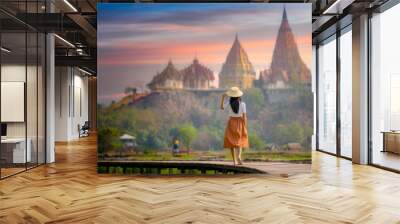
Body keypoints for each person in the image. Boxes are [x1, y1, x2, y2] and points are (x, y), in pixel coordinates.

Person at [220, 86, 249, 165]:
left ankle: (234, 161)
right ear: (239, 96)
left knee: (231, 142)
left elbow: (222, 107)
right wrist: (245, 126)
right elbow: (244, 116)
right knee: (240, 141)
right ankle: (239, 156)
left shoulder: (229, 103)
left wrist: (223, 97)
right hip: (240, 122)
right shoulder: (243, 104)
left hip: (231, 122)